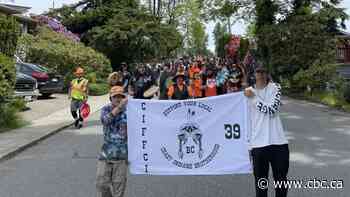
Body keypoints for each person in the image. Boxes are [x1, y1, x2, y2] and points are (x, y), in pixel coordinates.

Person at [244, 67, 289, 197]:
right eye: (258, 71)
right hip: (258, 145)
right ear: (254, 74)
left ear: (267, 74)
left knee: (281, 183)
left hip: (279, 143)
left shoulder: (275, 87)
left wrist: (253, 99)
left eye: (264, 71)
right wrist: (247, 145)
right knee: (261, 185)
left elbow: (272, 110)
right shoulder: (247, 92)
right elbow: (244, 119)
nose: (261, 74)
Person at [97, 86, 128, 197]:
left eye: (120, 96)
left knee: (119, 186)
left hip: (122, 155)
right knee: (101, 184)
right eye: (115, 97)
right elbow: (105, 121)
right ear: (111, 98)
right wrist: (119, 108)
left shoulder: (130, 111)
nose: (118, 99)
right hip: (106, 154)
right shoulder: (106, 109)